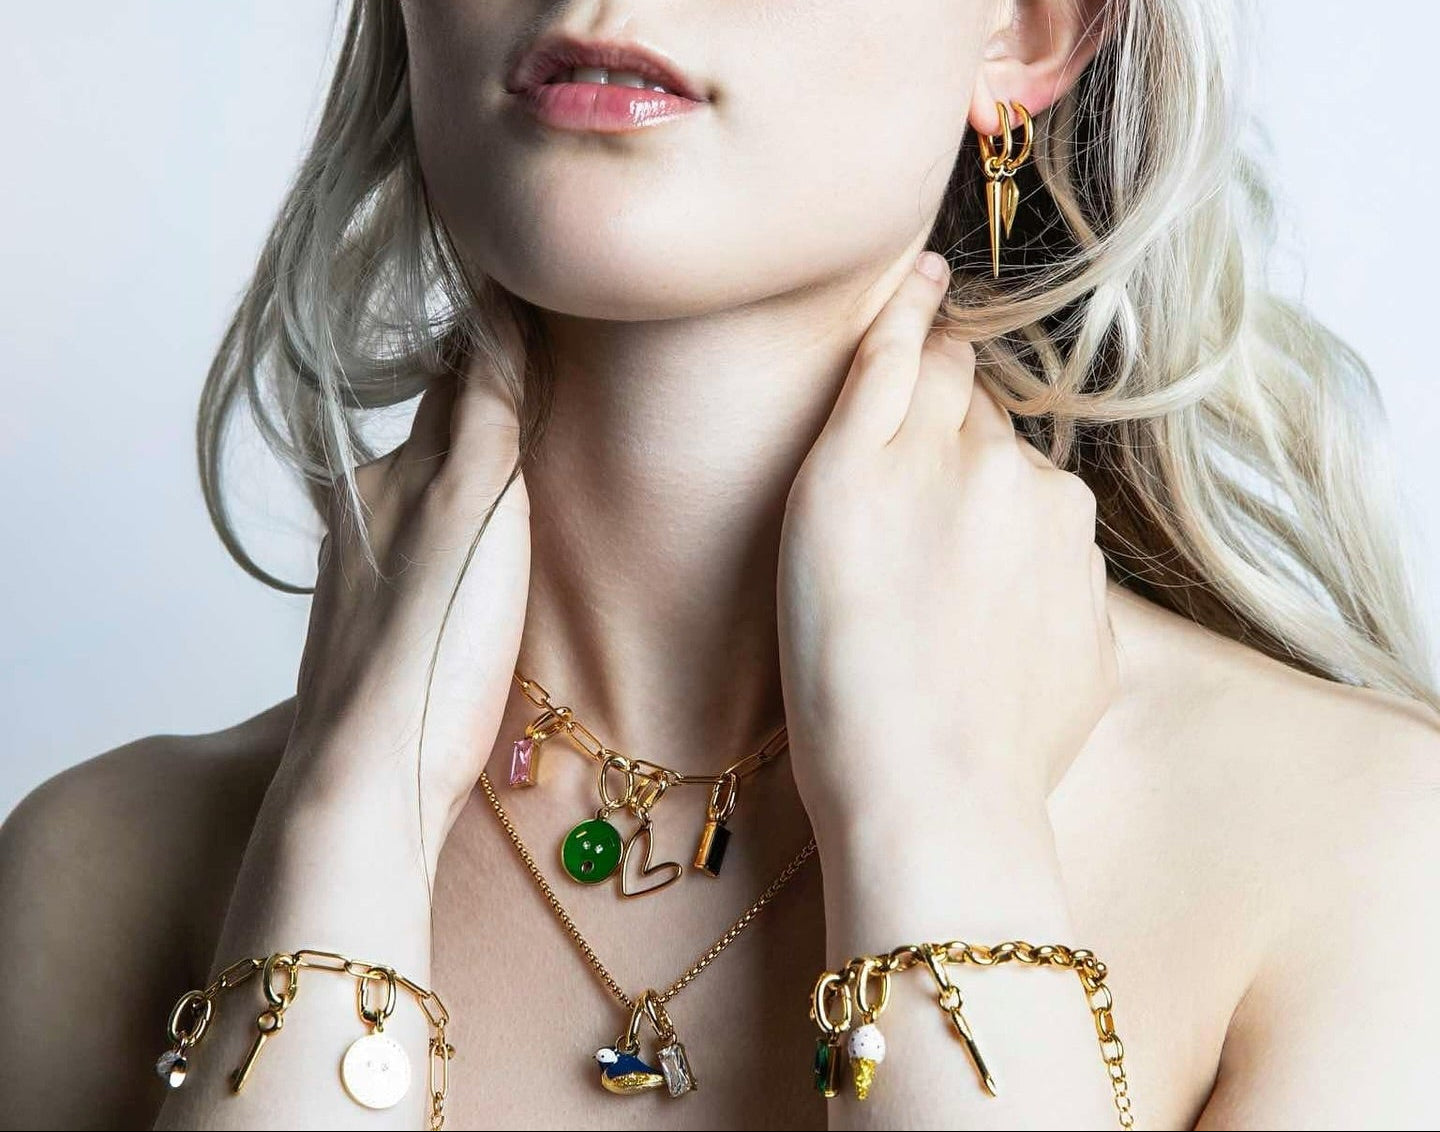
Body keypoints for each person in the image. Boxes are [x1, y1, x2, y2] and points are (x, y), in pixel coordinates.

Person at [3, 1, 1438, 1128]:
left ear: (1027, 28)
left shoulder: (1365, 866)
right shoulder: (95, 879)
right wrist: (341, 842)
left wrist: (944, 857)